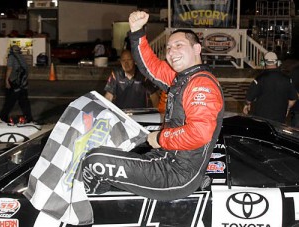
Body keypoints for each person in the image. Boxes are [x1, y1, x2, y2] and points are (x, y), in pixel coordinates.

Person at [82, 11, 224, 201]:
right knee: (100, 150)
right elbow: (150, 66)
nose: (172, 51)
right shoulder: (181, 79)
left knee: (94, 161)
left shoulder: (201, 84)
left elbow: (199, 133)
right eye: (169, 48)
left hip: (176, 176)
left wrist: (161, 137)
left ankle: (85, 211)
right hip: (164, 161)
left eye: (179, 45)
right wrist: (137, 32)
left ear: (197, 49)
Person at [243, 51, 297, 124]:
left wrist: (247, 105)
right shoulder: (287, 79)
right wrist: (287, 109)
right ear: (277, 62)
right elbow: (293, 98)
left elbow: (249, 99)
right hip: (279, 119)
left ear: (264, 63)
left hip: (261, 119)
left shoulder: (259, 79)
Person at [0, 45, 33, 123]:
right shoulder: (22, 57)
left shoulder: (11, 57)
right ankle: (29, 117)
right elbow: (26, 70)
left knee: (10, 101)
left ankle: (2, 117)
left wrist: (6, 80)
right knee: (24, 102)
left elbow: (9, 69)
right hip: (22, 83)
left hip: (14, 83)